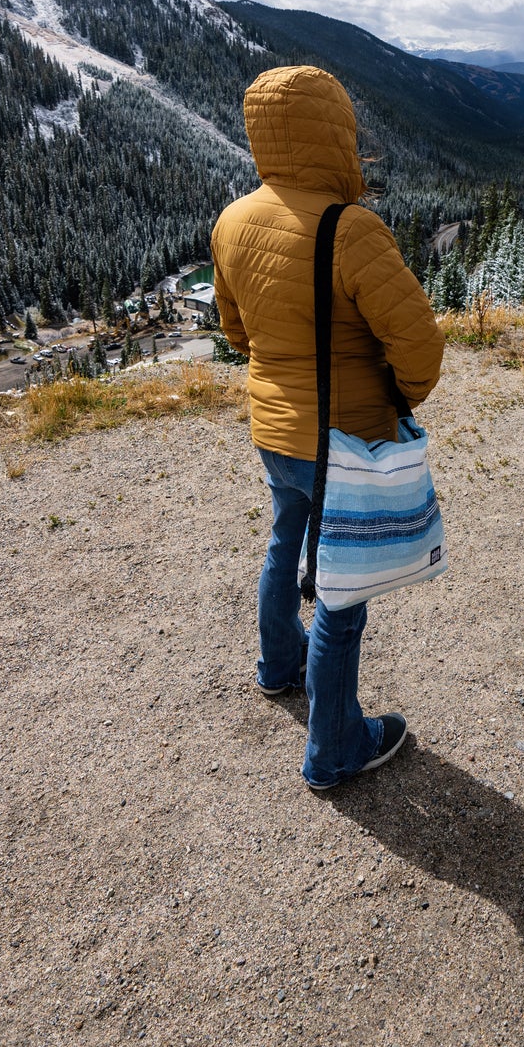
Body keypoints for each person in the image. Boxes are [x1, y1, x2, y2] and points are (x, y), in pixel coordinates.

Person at [211, 65, 445, 791]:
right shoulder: (351, 228)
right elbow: (421, 350)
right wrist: (391, 399)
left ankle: (278, 667)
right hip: (343, 439)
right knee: (342, 592)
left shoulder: (232, 219)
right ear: (334, 132)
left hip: (273, 427)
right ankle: (335, 747)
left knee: (287, 540)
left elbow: (235, 333)